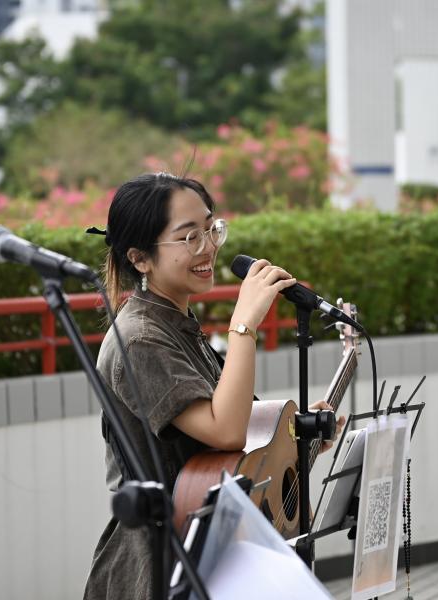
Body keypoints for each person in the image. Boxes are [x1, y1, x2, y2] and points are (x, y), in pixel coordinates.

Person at [83, 172, 342, 600]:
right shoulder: (141, 337)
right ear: (140, 258)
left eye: (210, 228)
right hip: (160, 567)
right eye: (188, 238)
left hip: (206, 550)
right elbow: (226, 431)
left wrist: (297, 437)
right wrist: (244, 326)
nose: (209, 247)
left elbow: (229, 446)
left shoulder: (174, 323)